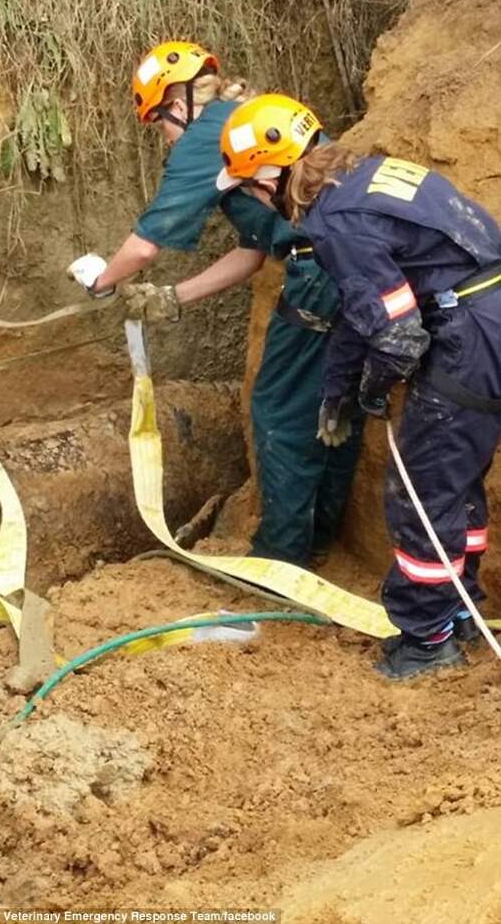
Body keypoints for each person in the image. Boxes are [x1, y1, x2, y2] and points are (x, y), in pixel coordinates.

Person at [216, 92, 501, 679]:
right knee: (456, 479)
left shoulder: (334, 220)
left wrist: (374, 388)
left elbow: (396, 334)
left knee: (419, 491)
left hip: (470, 335)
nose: (253, 198)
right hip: (488, 312)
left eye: (248, 186)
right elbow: (359, 308)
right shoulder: (365, 177)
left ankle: (427, 640)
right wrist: (339, 391)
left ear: (274, 173)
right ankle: (459, 610)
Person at [68, 43, 362, 568]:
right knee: (332, 405)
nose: (163, 136)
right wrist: (171, 298)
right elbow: (253, 252)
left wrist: (102, 283)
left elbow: (143, 246)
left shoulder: (204, 139)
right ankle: (320, 537)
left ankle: (279, 560)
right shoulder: (242, 125)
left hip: (319, 277)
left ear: (177, 105)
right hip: (353, 265)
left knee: (279, 413)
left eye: (158, 123)